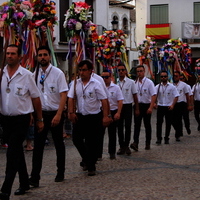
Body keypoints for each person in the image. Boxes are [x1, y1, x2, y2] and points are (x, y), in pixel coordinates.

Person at [0, 44, 43, 200]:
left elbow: (36, 98)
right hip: (5, 119)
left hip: (21, 119)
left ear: (19, 57)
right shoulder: (1, 73)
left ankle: (5, 189)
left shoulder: (27, 75)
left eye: (13, 54)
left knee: (12, 153)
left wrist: (39, 119)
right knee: (16, 150)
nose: (9, 56)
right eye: (8, 53)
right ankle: (24, 182)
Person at [29, 46, 69, 187]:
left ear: (49, 56)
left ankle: (60, 172)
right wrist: (32, 114)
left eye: (45, 55)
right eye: (40, 55)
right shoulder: (33, 74)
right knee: (38, 146)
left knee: (58, 144)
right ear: (37, 57)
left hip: (55, 113)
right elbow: (32, 95)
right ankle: (34, 177)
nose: (42, 57)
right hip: (41, 114)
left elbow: (64, 94)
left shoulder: (57, 73)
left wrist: (59, 114)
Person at [68, 60, 110, 176]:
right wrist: (71, 112)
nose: (81, 73)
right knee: (76, 139)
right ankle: (87, 159)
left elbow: (104, 100)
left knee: (92, 142)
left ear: (90, 71)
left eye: (84, 70)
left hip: (94, 116)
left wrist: (106, 116)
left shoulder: (96, 83)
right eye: (80, 70)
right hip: (80, 115)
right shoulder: (75, 83)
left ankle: (91, 166)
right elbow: (70, 97)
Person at [130, 65, 156, 151]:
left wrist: (151, 107)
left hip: (146, 105)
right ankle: (135, 143)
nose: (139, 73)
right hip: (138, 105)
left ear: (144, 71)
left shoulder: (149, 82)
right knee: (136, 125)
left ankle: (147, 142)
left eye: (141, 71)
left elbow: (153, 95)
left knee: (147, 125)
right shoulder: (135, 83)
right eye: (138, 71)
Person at [116, 62, 139, 155]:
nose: (121, 72)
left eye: (122, 70)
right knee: (119, 127)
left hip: (128, 105)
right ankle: (121, 146)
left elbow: (135, 96)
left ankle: (126, 146)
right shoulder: (115, 82)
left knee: (128, 127)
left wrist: (137, 108)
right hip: (118, 107)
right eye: (119, 70)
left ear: (125, 71)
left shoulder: (131, 82)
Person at [101, 70, 123, 159]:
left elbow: (120, 100)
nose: (104, 79)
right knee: (100, 133)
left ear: (111, 77)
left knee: (112, 133)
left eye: (106, 77)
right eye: (102, 77)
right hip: (102, 112)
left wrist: (118, 112)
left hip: (113, 111)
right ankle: (98, 154)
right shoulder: (99, 87)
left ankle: (112, 152)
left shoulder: (116, 88)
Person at [154, 71, 179, 144]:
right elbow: (154, 95)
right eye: (162, 76)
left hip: (168, 106)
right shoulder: (157, 87)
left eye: (165, 76)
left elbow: (176, 96)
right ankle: (159, 138)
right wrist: (154, 103)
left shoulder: (172, 87)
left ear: (167, 77)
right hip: (160, 106)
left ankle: (166, 138)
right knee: (159, 123)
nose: (163, 78)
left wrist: (173, 105)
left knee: (168, 123)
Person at [172, 71, 191, 141]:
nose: (175, 77)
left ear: (179, 77)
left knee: (183, 118)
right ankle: (179, 131)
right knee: (175, 119)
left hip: (182, 103)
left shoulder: (183, 85)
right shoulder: (171, 84)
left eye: (176, 76)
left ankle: (185, 129)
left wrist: (189, 105)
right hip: (175, 104)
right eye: (174, 76)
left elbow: (187, 95)